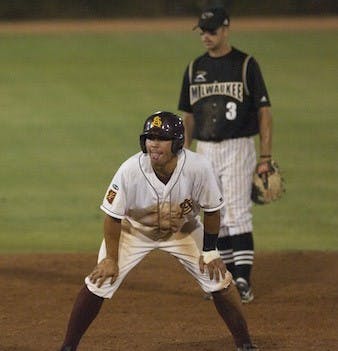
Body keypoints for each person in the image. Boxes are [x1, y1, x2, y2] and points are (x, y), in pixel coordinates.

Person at [59, 111, 258, 351]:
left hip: (183, 229)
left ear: (177, 142)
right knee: (99, 281)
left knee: (220, 281)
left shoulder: (198, 168)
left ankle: (245, 344)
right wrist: (111, 259)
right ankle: (68, 347)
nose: (153, 143)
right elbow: (112, 217)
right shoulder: (130, 170)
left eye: (161, 138)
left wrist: (210, 251)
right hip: (134, 231)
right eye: (149, 137)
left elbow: (212, 210)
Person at [178, 7, 273, 303]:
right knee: (210, 211)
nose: (206, 36)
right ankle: (224, 276)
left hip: (238, 146)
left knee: (236, 211)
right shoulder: (195, 69)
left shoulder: (245, 65)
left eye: (212, 31)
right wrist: (182, 154)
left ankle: (242, 280)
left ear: (226, 28)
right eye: (203, 31)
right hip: (205, 149)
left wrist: (265, 157)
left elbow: (264, 112)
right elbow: (189, 116)